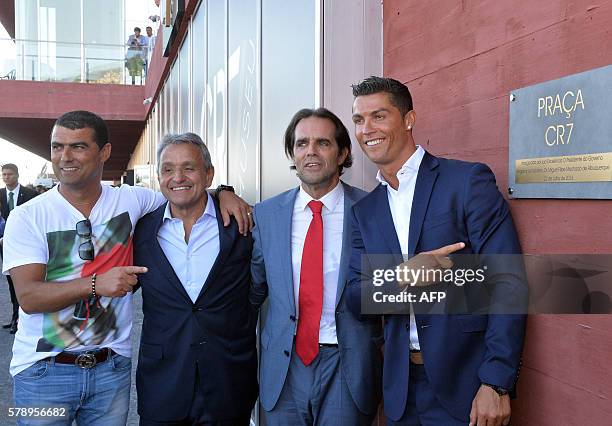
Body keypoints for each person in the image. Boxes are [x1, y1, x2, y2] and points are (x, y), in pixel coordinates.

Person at [2, 110, 251, 425]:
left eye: (78, 146)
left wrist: (224, 193)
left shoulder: (133, 201)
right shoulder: (27, 216)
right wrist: (96, 284)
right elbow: (28, 297)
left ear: (104, 152)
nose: (65, 156)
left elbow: (183, 190)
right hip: (41, 373)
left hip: (110, 371)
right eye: (57, 147)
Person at [347, 77, 528, 426]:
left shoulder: (465, 182)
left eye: (379, 116)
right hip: (401, 392)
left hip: (468, 386)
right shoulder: (366, 212)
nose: (367, 129)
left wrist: (496, 381)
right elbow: (357, 298)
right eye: (358, 119)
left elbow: (510, 282)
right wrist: (404, 275)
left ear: (409, 119)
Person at [250, 108, 383, 425]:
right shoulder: (266, 215)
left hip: (346, 363)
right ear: (292, 154)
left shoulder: (372, 210)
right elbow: (251, 290)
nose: (310, 151)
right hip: (283, 367)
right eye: (301, 143)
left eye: (322, 143)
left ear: (342, 153)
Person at [134, 132, 257, 425]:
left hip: (228, 381)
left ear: (208, 174)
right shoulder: (140, 231)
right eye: (167, 169)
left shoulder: (242, 224)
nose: (178, 177)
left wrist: (224, 191)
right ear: (159, 176)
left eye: (189, 168)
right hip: (163, 383)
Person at [1, 163, 38, 334]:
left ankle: (22, 318)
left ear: (17, 175)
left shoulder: (31, 195)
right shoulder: (0, 195)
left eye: (9, 174)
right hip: (4, 245)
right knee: (11, 283)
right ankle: (15, 317)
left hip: (26, 246)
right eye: (4, 175)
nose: (6, 177)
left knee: (24, 282)